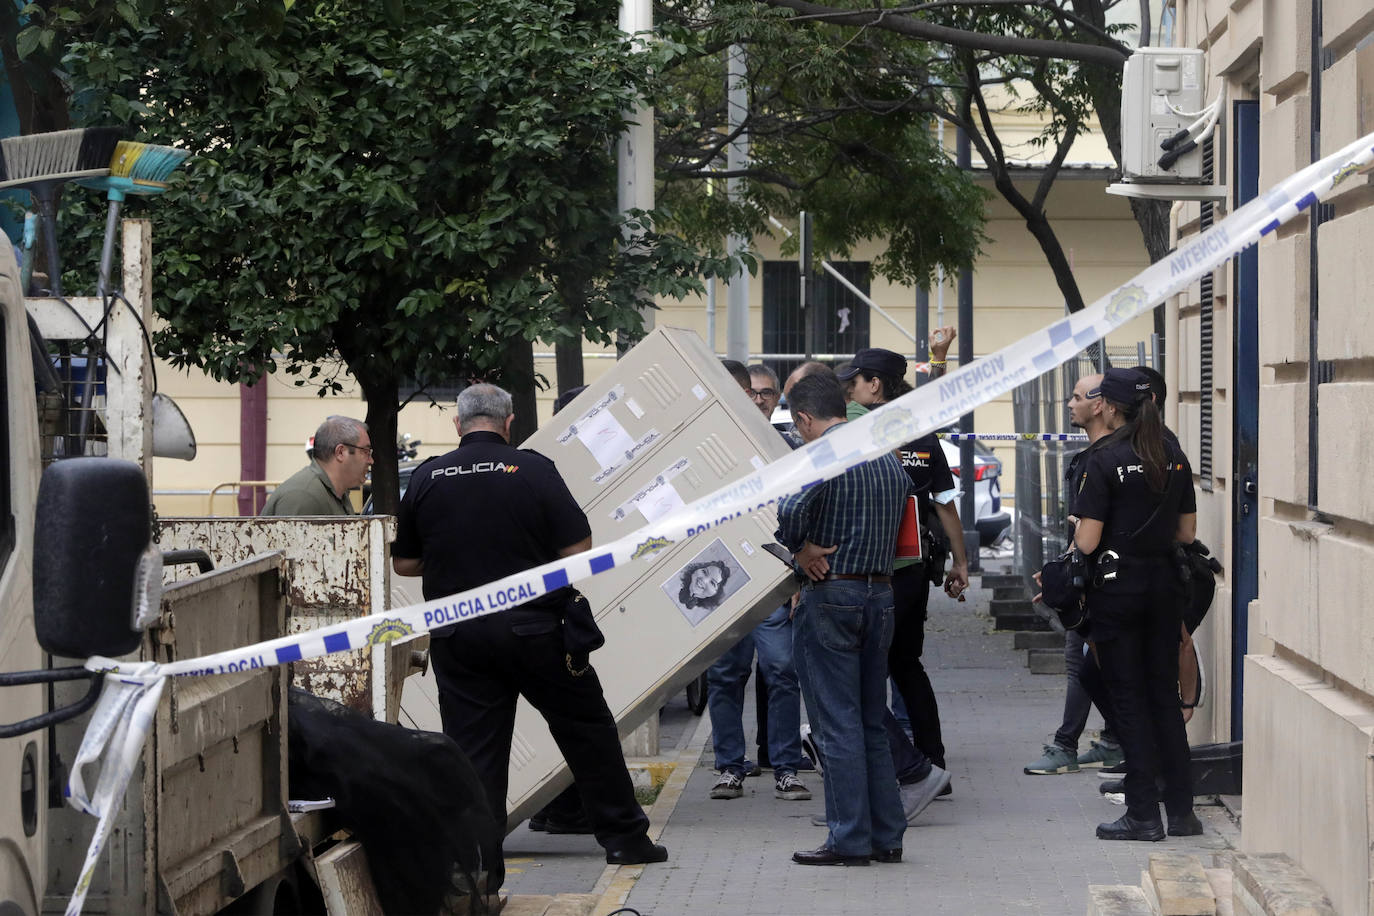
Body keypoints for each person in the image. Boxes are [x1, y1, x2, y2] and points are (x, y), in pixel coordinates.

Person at [392, 384, 666, 894]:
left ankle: (480, 870)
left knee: (475, 754)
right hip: (537, 632)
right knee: (587, 730)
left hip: (460, 638)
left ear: (458, 425)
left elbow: (405, 561)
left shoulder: (429, 476)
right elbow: (579, 547)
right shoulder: (533, 469)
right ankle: (626, 839)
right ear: (509, 422)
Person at [777, 373, 908, 866]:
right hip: (880, 593)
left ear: (805, 419)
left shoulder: (823, 454)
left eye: (798, 427)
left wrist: (800, 548)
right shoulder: (882, 452)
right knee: (873, 719)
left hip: (832, 594)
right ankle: (887, 835)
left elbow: (789, 508)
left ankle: (848, 839)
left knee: (837, 725)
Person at [1071, 368, 1201, 841]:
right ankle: (1183, 812)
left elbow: (1086, 543)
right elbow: (1186, 533)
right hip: (1165, 586)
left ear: (1113, 406)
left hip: (1118, 590)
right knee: (1163, 698)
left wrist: (1082, 524)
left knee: (1128, 702)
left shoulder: (1103, 458)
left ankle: (1143, 813)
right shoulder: (1172, 452)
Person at [838, 347, 969, 781]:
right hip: (912, 573)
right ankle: (935, 762)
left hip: (867, 571)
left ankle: (891, 767)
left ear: (873, 385)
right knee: (907, 666)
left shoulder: (857, 431)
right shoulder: (922, 436)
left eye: (854, 382)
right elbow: (946, 503)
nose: (849, 391)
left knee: (862, 671)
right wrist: (961, 564)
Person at [706, 360, 813, 803]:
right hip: (724, 581)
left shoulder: (789, 450)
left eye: (767, 393)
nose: (758, 400)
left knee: (782, 671)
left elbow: (804, 517)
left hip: (773, 581)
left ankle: (785, 767)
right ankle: (730, 767)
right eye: (752, 393)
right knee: (725, 674)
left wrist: (799, 583)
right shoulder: (716, 452)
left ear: (777, 400)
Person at [1023, 373, 1125, 776]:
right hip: (1087, 573)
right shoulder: (1090, 457)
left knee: (1080, 660)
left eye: (1077, 397)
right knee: (1090, 663)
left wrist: (1069, 575)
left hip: (1101, 579)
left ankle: (1068, 744)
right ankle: (1115, 740)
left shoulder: (1106, 458)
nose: (1069, 403)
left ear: (1099, 405)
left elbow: (1090, 530)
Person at [261, 415, 371, 516]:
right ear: (340, 452)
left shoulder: (336, 492)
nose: (371, 461)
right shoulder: (303, 497)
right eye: (365, 451)